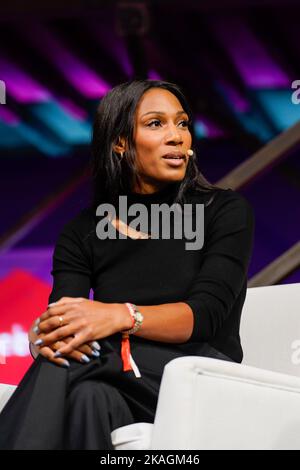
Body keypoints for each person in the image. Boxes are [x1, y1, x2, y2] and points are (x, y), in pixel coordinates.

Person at [0, 79, 255, 449]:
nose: (177, 136)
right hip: (116, 377)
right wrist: (46, 332)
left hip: (201, 377)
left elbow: (206, 315)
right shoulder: (83, 232)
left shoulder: (224, 211)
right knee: (89, 398)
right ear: (120, 142)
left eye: (182, 123)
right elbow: (62, 324)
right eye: (156, 124)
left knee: (88, 349)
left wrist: (122, 316)